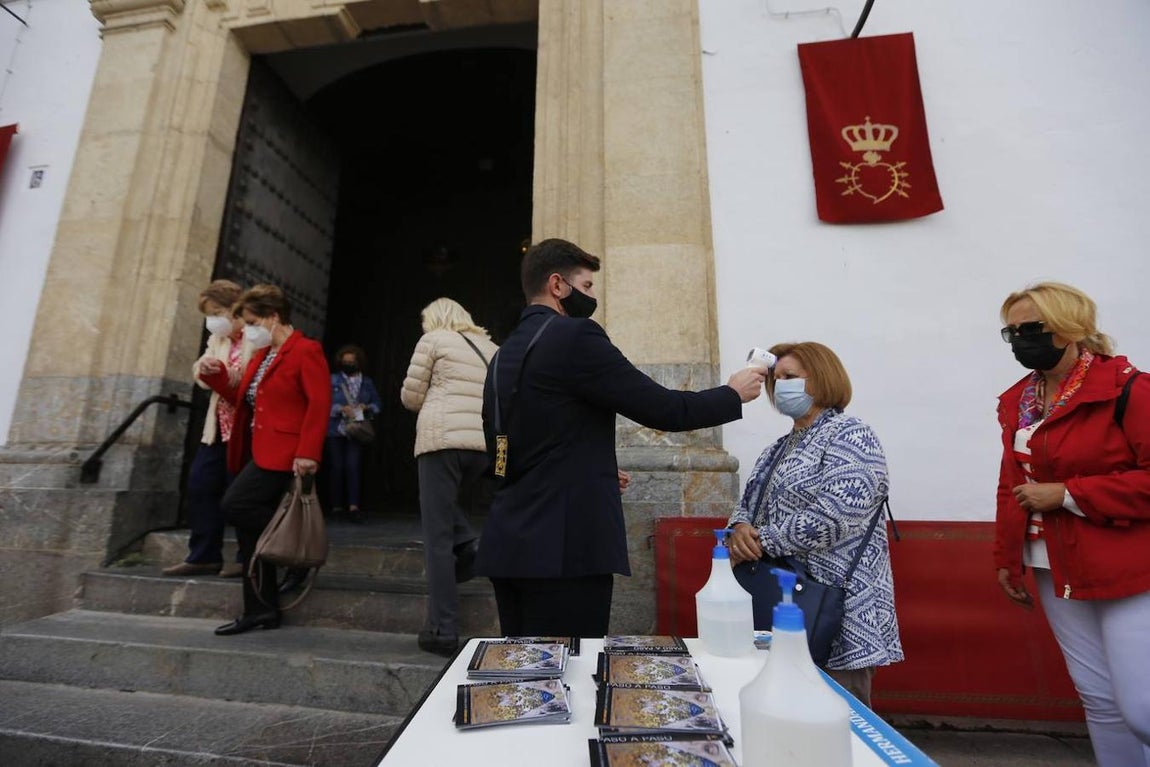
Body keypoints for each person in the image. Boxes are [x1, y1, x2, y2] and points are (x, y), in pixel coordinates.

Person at [476, 238, 765, 638]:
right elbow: (663, 409)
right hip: (565, 550)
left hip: (510, 541)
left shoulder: (503, 354)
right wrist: (731, 394)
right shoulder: (575, 337)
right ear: (558, 285)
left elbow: (508, 449)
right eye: (587, 286)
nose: (592, 297)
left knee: (527, 680)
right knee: (570, 673)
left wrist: (593, 471)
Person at [993, 282, 1150, 767]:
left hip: (1124, 565)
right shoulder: (1020, 400)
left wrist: (1070, 493)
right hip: (1050, 564)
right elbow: (1010, 483)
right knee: (1100, 702)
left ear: (1071, 329)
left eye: (1033, 329)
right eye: (1012, 331)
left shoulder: (1129, 389)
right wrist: (1007, 558)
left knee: (1142, 708)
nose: (1022, 340)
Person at [726, 342, 902, 706]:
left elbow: (838, 514)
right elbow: (747, 505)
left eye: (791, 377)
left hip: (838, 603)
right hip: (783, 600)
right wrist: (739, 530)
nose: (781, 385)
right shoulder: (778, 447)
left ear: (822, 381)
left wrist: (764, 542)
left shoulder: (852, 435)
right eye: (777, 378)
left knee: (836, 712)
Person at [201, 284, 331, 636]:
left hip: (286, 455)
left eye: (254, 321)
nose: (249, 330)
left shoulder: (306, 350)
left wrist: (308, 452)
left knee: (235, 505)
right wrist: (215, 375)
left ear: (274, 317)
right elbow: (244, 398)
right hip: (258, 449)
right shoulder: (263, 354)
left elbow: (319, 403)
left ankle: (290, 551)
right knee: (248, 537)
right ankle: (260, 610)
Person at [401, 298, 499, 656]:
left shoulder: (434, 340)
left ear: (434, 319)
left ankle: (442, 629)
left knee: (436, 537)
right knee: (445, 511)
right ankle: (470, 548)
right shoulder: (492, 348)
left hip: (441, 440)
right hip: (480, 447)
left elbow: (411, 397)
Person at [164, 280, 249, 578]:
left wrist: (229, 374)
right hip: (217, 429)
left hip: (245, 429)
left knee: (240, 494)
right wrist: (205, 369)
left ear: (233, 308)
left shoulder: (254, 336)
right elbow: (199, 368)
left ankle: (245, 556)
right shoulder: (218, 339)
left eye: (216, 311)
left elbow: (253, 377)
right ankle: (203, 555)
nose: (212, 319)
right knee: (201, 486)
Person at [327, 344, 382, 523]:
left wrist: (366, 408)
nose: (349, 364)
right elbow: (323, 402)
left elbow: (377, 404)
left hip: (356, 430)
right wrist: (340, 408)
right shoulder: (332, 380)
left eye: (352, 361)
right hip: (336, 429)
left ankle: (353, 506)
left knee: (353, 467)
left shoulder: (366, 383)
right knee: (337, 468)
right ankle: (336, 506)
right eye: (345, 362)